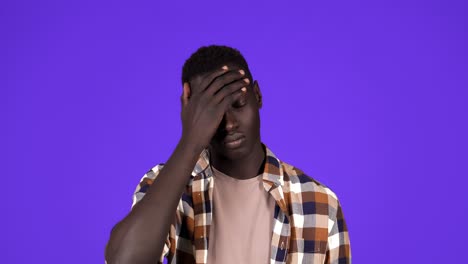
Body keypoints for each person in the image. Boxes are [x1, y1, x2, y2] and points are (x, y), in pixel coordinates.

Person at [105, 45, 351, 264]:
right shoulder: (169, 186)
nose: (229, 123)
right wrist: (190, 140)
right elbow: (125, 260)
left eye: (238, 104)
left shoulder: (319, 203)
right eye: (214, 112)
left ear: (257, 95)